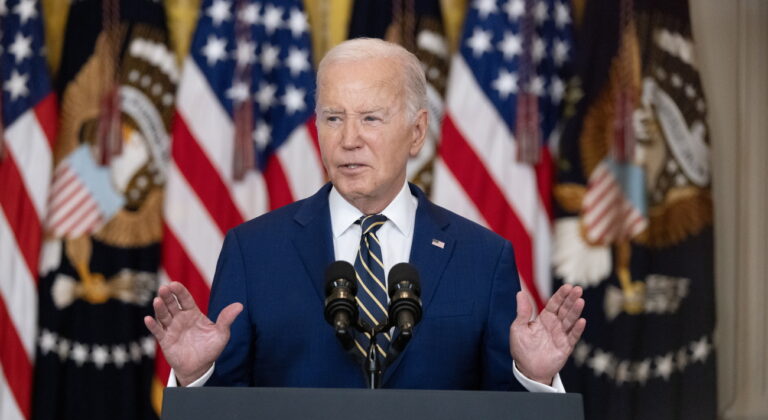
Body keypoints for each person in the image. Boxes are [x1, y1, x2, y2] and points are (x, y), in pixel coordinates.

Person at [144, 38, 585, 391]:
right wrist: (194, 377)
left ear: (416, 133)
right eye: (333, 118)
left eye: (371, 118)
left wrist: (535, 377)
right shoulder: (254, 251)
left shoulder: (482, 258)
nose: (349, 139)